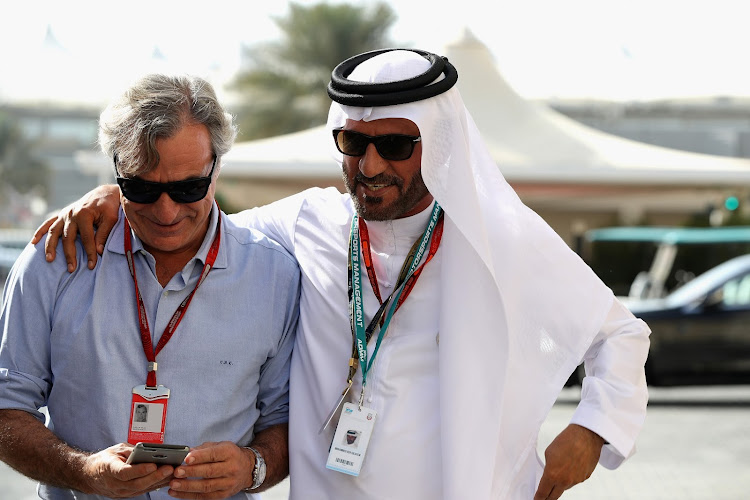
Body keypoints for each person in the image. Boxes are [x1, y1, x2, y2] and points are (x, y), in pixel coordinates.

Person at [35, 49, 650, 499]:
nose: (370, 164)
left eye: (395, 144)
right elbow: (195, 218)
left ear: (436, 142)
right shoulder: (309, 221)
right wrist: (116, 195)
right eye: (353, 144)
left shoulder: (497, 238)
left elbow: (619, 334)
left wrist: (590, 434)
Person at [1, 74, 300, 499]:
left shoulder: (275, 275)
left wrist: (253, 467)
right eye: (140, 188)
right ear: (116, 172)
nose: (165, 211)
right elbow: (6, 409)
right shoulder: (53, 262)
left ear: (217, 167)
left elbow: (288, 419)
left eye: (188, 188)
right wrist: (82, 471)